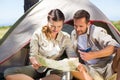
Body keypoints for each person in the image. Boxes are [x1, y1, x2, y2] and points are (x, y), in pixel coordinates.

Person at [4, 9, 77, 80]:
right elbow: (32, 55)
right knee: (8, 73)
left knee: (63, 74)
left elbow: (72, 55)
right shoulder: (38, 34)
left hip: (55, 70)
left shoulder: (65, 37)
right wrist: (34, 62)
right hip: (38, 68)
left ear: (63, 24)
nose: (55, 29)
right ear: (48, 22)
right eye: (52, 26)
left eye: (59, 26)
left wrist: (72, 62)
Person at [71, 9, 120, 80]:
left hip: (108, 67)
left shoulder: (96, 31)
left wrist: (93, 55)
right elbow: (73, 54)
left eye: (81, 26)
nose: (78, 29)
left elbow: (115, 46)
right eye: (75, 26)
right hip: (91, 69)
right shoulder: (74, 34)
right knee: (72, 67)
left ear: (88, 24)